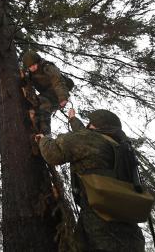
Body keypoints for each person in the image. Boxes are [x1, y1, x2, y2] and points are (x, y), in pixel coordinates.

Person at [35, 108, 145, 252]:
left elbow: (53, 153)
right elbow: (85, 137)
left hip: (100, 225)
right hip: (130, 228)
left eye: (90, 123)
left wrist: (43, 139)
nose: (87, 126)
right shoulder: (118, 146)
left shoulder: (88, 139)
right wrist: (73, 119)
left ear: (96, 125)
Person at [22, 50, 71, 134]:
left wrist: (62, 97)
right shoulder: (31, 74)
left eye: (34, 65)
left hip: (57, 92)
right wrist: (23, 79)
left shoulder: (47, 67)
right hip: (46, 94)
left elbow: (58, 81)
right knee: (35, 103)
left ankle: (45, 136)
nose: (32, 68)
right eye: (30, 66)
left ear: (38, 62)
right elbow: (29, 87)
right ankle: (36, 129)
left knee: (43, 105)